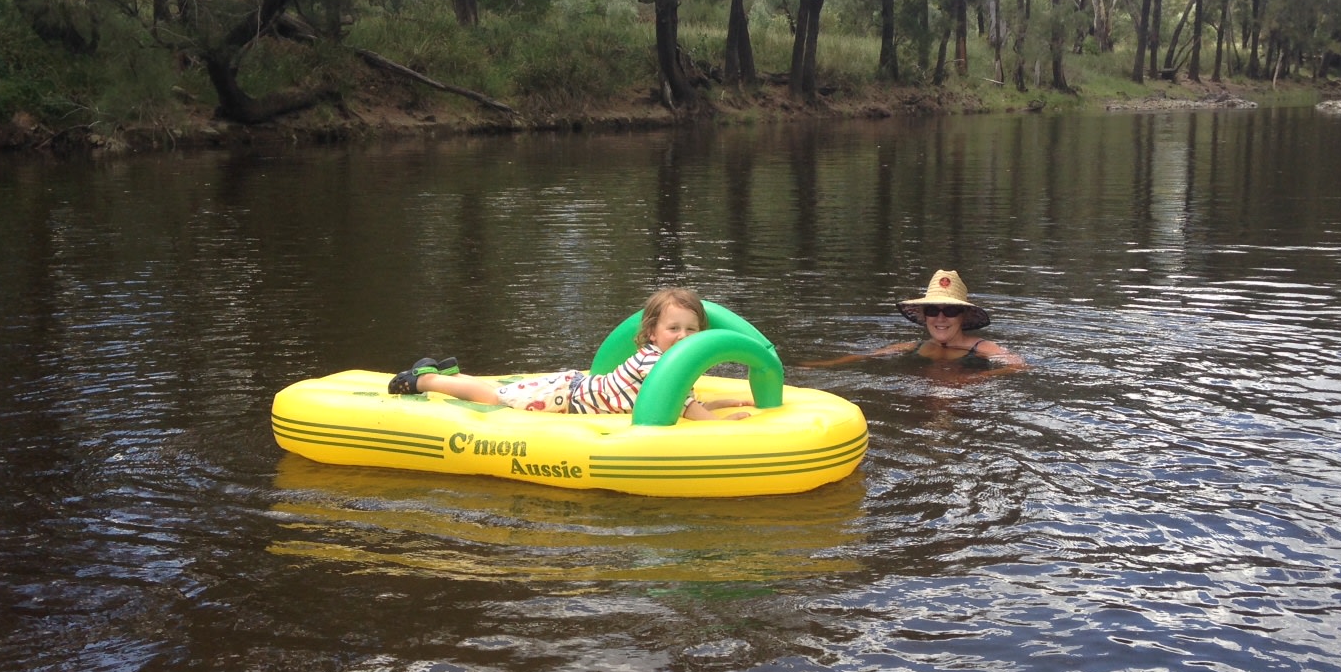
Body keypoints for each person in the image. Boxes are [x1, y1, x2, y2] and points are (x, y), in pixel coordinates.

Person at [388, 286, 753, 420]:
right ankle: (423, 380)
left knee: (500, 391)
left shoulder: (671, 361)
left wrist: (724, 403)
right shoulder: (654, 360)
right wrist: (720, 421)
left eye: (691, 330)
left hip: (574, 386)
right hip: (565, 399)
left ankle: (447, 374)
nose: (683, 336)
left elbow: (681, 401)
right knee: (494, 397)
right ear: (652, 333)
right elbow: (688, 409)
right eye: (673, 329)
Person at [803, 269, 1027, 374]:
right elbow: (868, 355)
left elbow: (1018, 365)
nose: (940, 318)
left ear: (963, 315)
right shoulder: (915, 346)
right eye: (932, 310)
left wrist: (972, 381)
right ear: (924, 316)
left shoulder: (982, 348)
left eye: (950, 310)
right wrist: (826, 365)